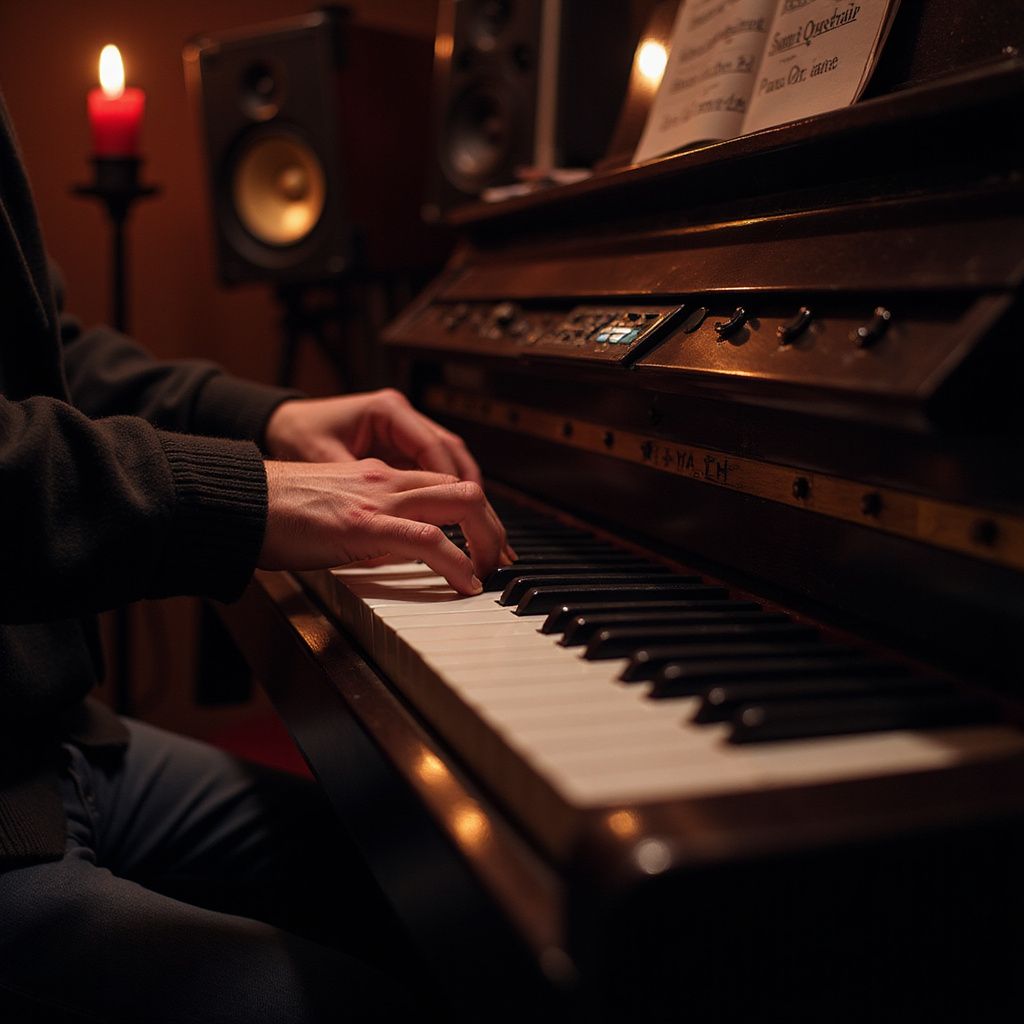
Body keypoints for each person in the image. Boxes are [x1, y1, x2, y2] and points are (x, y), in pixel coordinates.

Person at [0, 88, 508, 1023]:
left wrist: (264, 419)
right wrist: (243, 493)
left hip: (47, 743)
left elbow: (42, 358)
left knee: (462, 909)